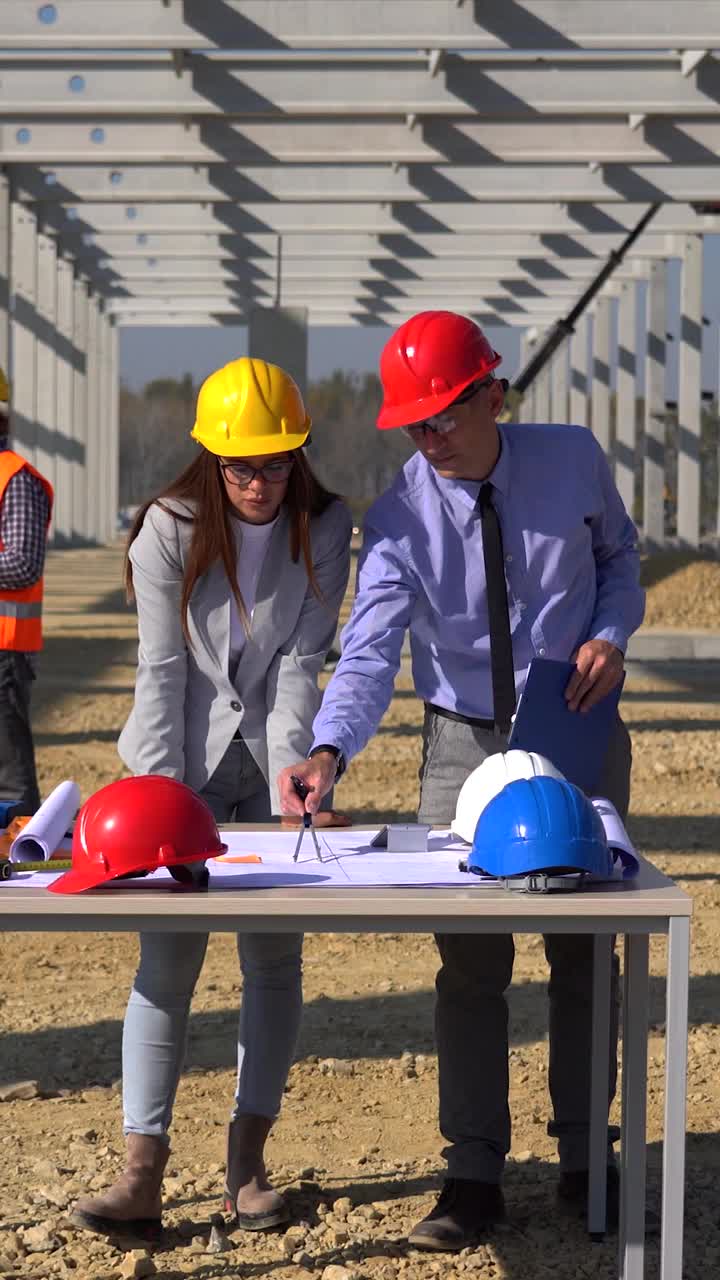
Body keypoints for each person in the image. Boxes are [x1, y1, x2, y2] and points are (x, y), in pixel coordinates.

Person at [278, 311, 645, 1250]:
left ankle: (581, 1158)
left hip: (573, 721)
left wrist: (609, 632)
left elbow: (619, 562)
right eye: (412, 425)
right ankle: (473, 1170)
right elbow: (367, 654)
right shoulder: (398, 515)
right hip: (462, 749)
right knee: (470, 961)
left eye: (442, 416)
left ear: (494, 395)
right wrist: (328, 752)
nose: (427, 439)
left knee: (585, 948)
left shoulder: (573, 460)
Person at [73, 357, 352, 1238]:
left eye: (275, 464)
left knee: (273, 962)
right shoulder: (168, 527)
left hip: (271, 759)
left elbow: (305, 663)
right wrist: (159, 793)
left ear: (296, 456)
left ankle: (247, 1168)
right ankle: (141, 1174)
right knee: (166, 965)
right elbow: (161, 668)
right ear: (212, 459)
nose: (259, 483)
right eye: (241, 466)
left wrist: (294, 780)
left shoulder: (327, 525)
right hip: (181, 762)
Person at [0, 368, 53, 815]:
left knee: (9, 777)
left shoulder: (15, 479)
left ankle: (22, 864)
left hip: (4, 652)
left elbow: (21, 565)